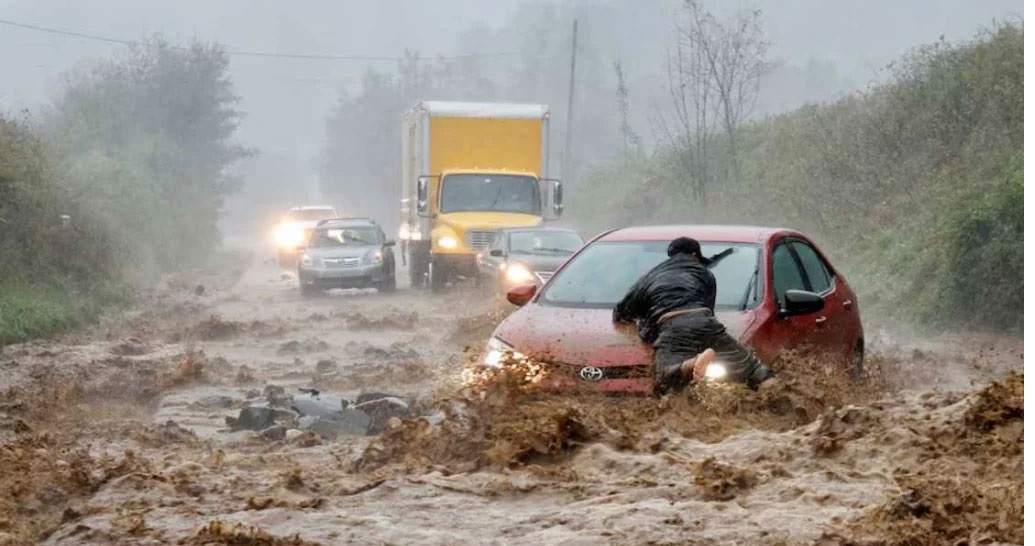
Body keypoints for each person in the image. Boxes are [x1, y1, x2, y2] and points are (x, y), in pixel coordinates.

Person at [613, 236, 776, 395]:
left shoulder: (650, 277)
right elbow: (708, 311)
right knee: (754, 369)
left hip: (672, 326)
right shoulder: (705, 274)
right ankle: (780, 395)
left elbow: (621, 312)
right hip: (705, 321)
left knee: (662, 380)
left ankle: (692, 363)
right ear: (694, 255)